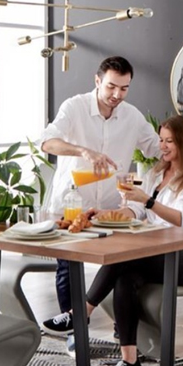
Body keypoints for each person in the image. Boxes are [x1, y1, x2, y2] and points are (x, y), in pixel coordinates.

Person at [47, 115, 183, 366]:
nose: (163, 146)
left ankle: (79, 314)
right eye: (161, 140)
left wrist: (147, 200)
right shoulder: (156, 173)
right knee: (124, 278)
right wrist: (108, 213)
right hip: (154, 252)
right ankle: (129, 360)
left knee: (124, 258)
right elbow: (135, 210)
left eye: (170, 141)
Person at [40, 56, 160, 334]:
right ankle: (75, 332)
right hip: (72, 203)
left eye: (124, 88)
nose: (117, 94)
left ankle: (124, 333)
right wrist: (83, 151)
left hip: (110, 209)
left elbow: (158, 148)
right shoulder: (74, 107)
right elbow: (48, 141)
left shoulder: (132, 116)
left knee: (121, 264)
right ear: (97, 81)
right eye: (111, 87)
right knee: (69, 266)